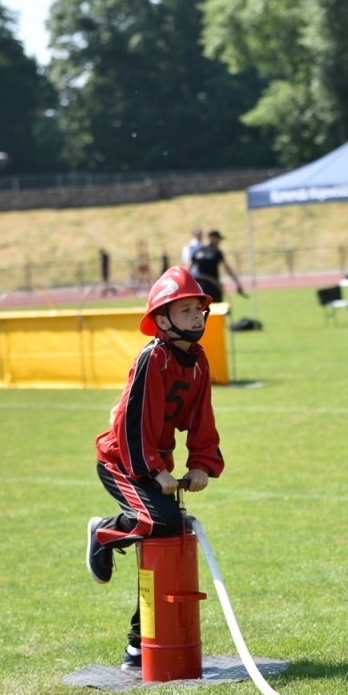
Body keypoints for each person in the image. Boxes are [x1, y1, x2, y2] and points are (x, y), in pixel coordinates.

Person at [87, 267, 224, 670]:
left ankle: (138, 644)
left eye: (199, 308)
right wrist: (151, 470)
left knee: (171, 532)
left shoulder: (197, 363)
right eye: (185, 311)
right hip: (121, 462)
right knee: (161, 522)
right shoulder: (153, 358)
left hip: (152, 466)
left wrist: (200, 464)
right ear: (162, 321)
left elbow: (203, 419)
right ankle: (105, 532)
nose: (197, 317)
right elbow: (132, 420)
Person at [188, 229, 246, 303]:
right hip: (214, 286)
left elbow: (188, 268)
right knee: (217, 311)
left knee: (202, 310)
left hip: (201, 287)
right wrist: (237, 283)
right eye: (218, 239)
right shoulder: (216, 252)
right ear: (212, 238)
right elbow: (226, 268)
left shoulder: (198, 251)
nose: (219, 242)